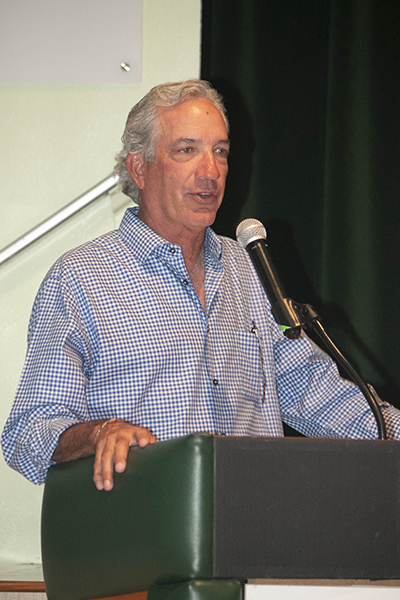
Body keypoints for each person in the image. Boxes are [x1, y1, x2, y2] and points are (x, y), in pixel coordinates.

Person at [2, 79, 400, 492]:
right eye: (186, 150)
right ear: (139, 167)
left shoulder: (248, 269)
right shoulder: (81, 278)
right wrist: (99, 433)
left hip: (258, 523)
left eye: (221, 152)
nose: (210, 171)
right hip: (146, 532)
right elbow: (29, 430)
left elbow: (318, 393)